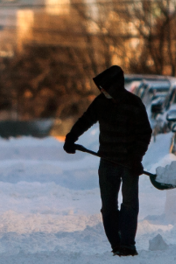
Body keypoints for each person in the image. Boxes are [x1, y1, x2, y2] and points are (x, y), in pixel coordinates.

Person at [63, 65, 152, 257]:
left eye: (105, 87)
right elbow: (86, 119)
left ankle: (127, 244)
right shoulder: (101, 103)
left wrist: (137, 158)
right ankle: (116, 244)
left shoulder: (134, 104)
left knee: (129, 204)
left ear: (115, 86)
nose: (102, 91)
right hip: (108, 161)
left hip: (129, 164)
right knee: (108, 206)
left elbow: (144, 133)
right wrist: (71, 137)